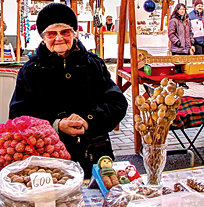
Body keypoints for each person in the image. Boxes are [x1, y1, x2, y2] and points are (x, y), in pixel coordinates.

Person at [9, 3, 128, 177]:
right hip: (48, 159)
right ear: (43, 37)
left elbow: (117, 103)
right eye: (52, 33)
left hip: (94, 156)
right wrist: (56, 125)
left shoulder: (93, 64)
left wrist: (89, 120)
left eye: (65, 32)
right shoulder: (31, 71)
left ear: (74, 34)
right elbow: (18, 116)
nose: (59, 38)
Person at [168, 3, 193, 89]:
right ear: (177, 10)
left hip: (186, 47)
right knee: (177, 67)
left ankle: (183, 83)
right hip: (177, 47)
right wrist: (177, 41)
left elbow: (190, 32)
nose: (182, 11)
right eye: (180, 9)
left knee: (184, 66)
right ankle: (175, 83)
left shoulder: (187, 21)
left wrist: (191, 40)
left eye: (183, 9)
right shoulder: (174, 20)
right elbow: (171, 33)